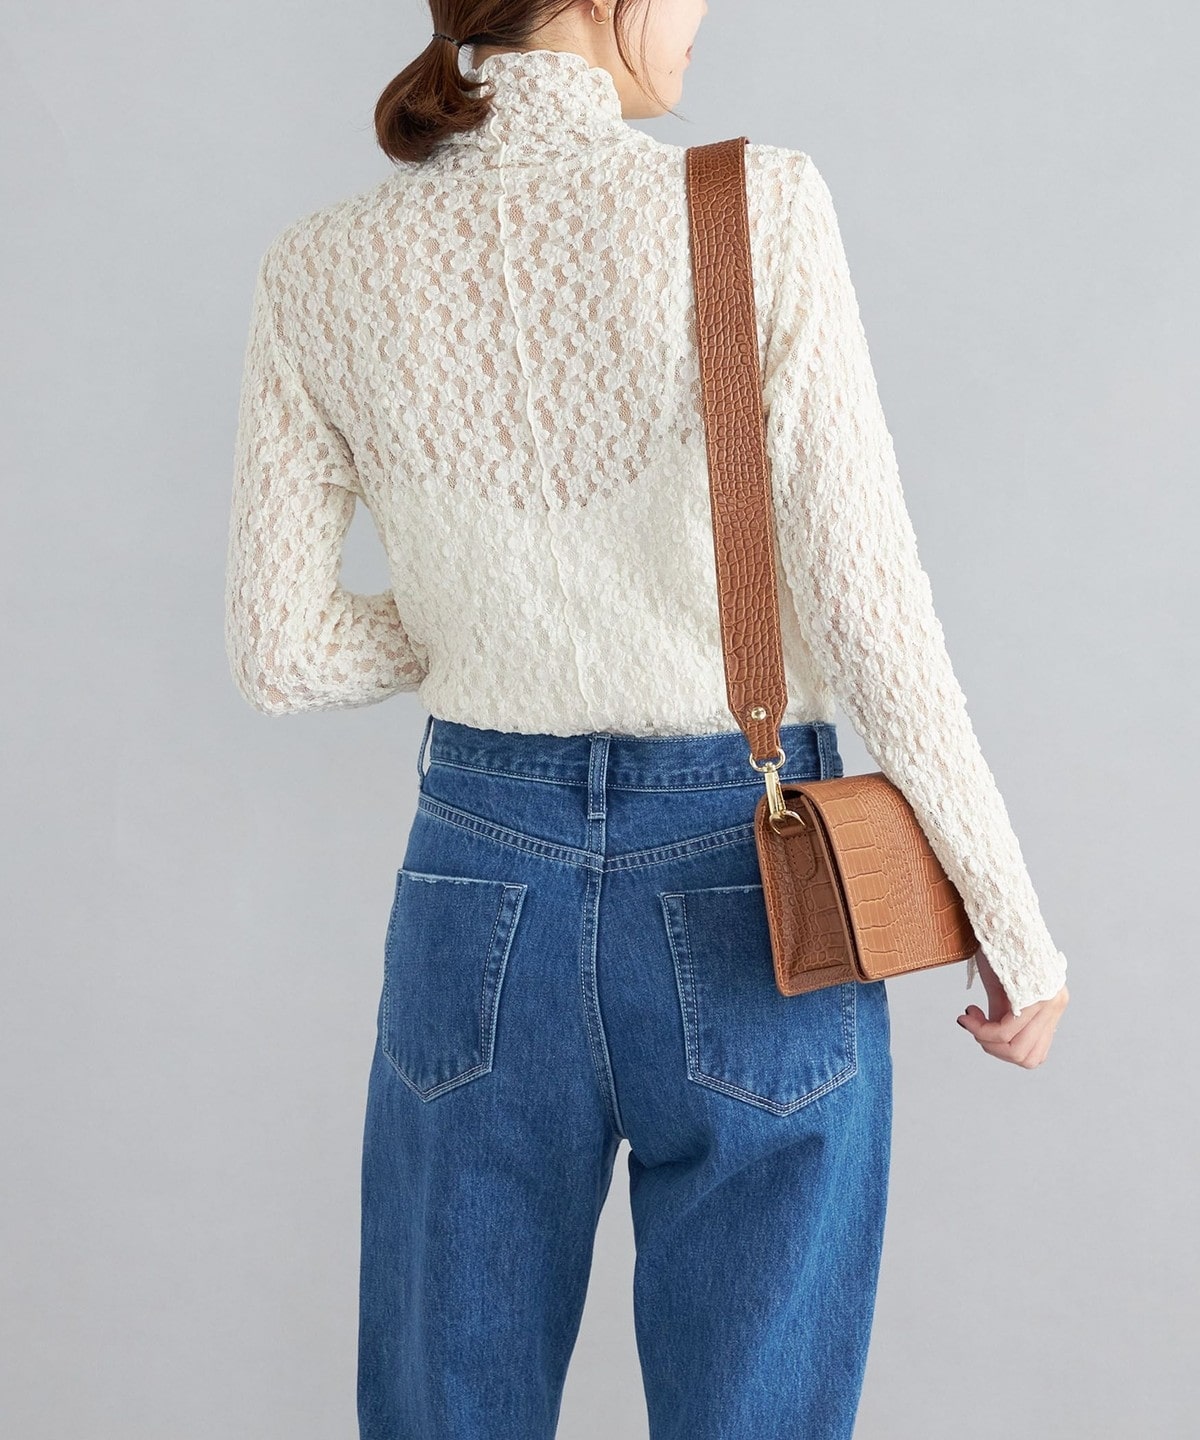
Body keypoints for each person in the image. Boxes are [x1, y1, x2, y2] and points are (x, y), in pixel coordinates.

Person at [223, 2, 1071, 1436]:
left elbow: (283, 652)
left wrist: (482, 616)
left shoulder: (320, 263)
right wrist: (1007, 915)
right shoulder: (755, 206)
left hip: (476, 879)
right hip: (752, 871)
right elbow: (871, 606)